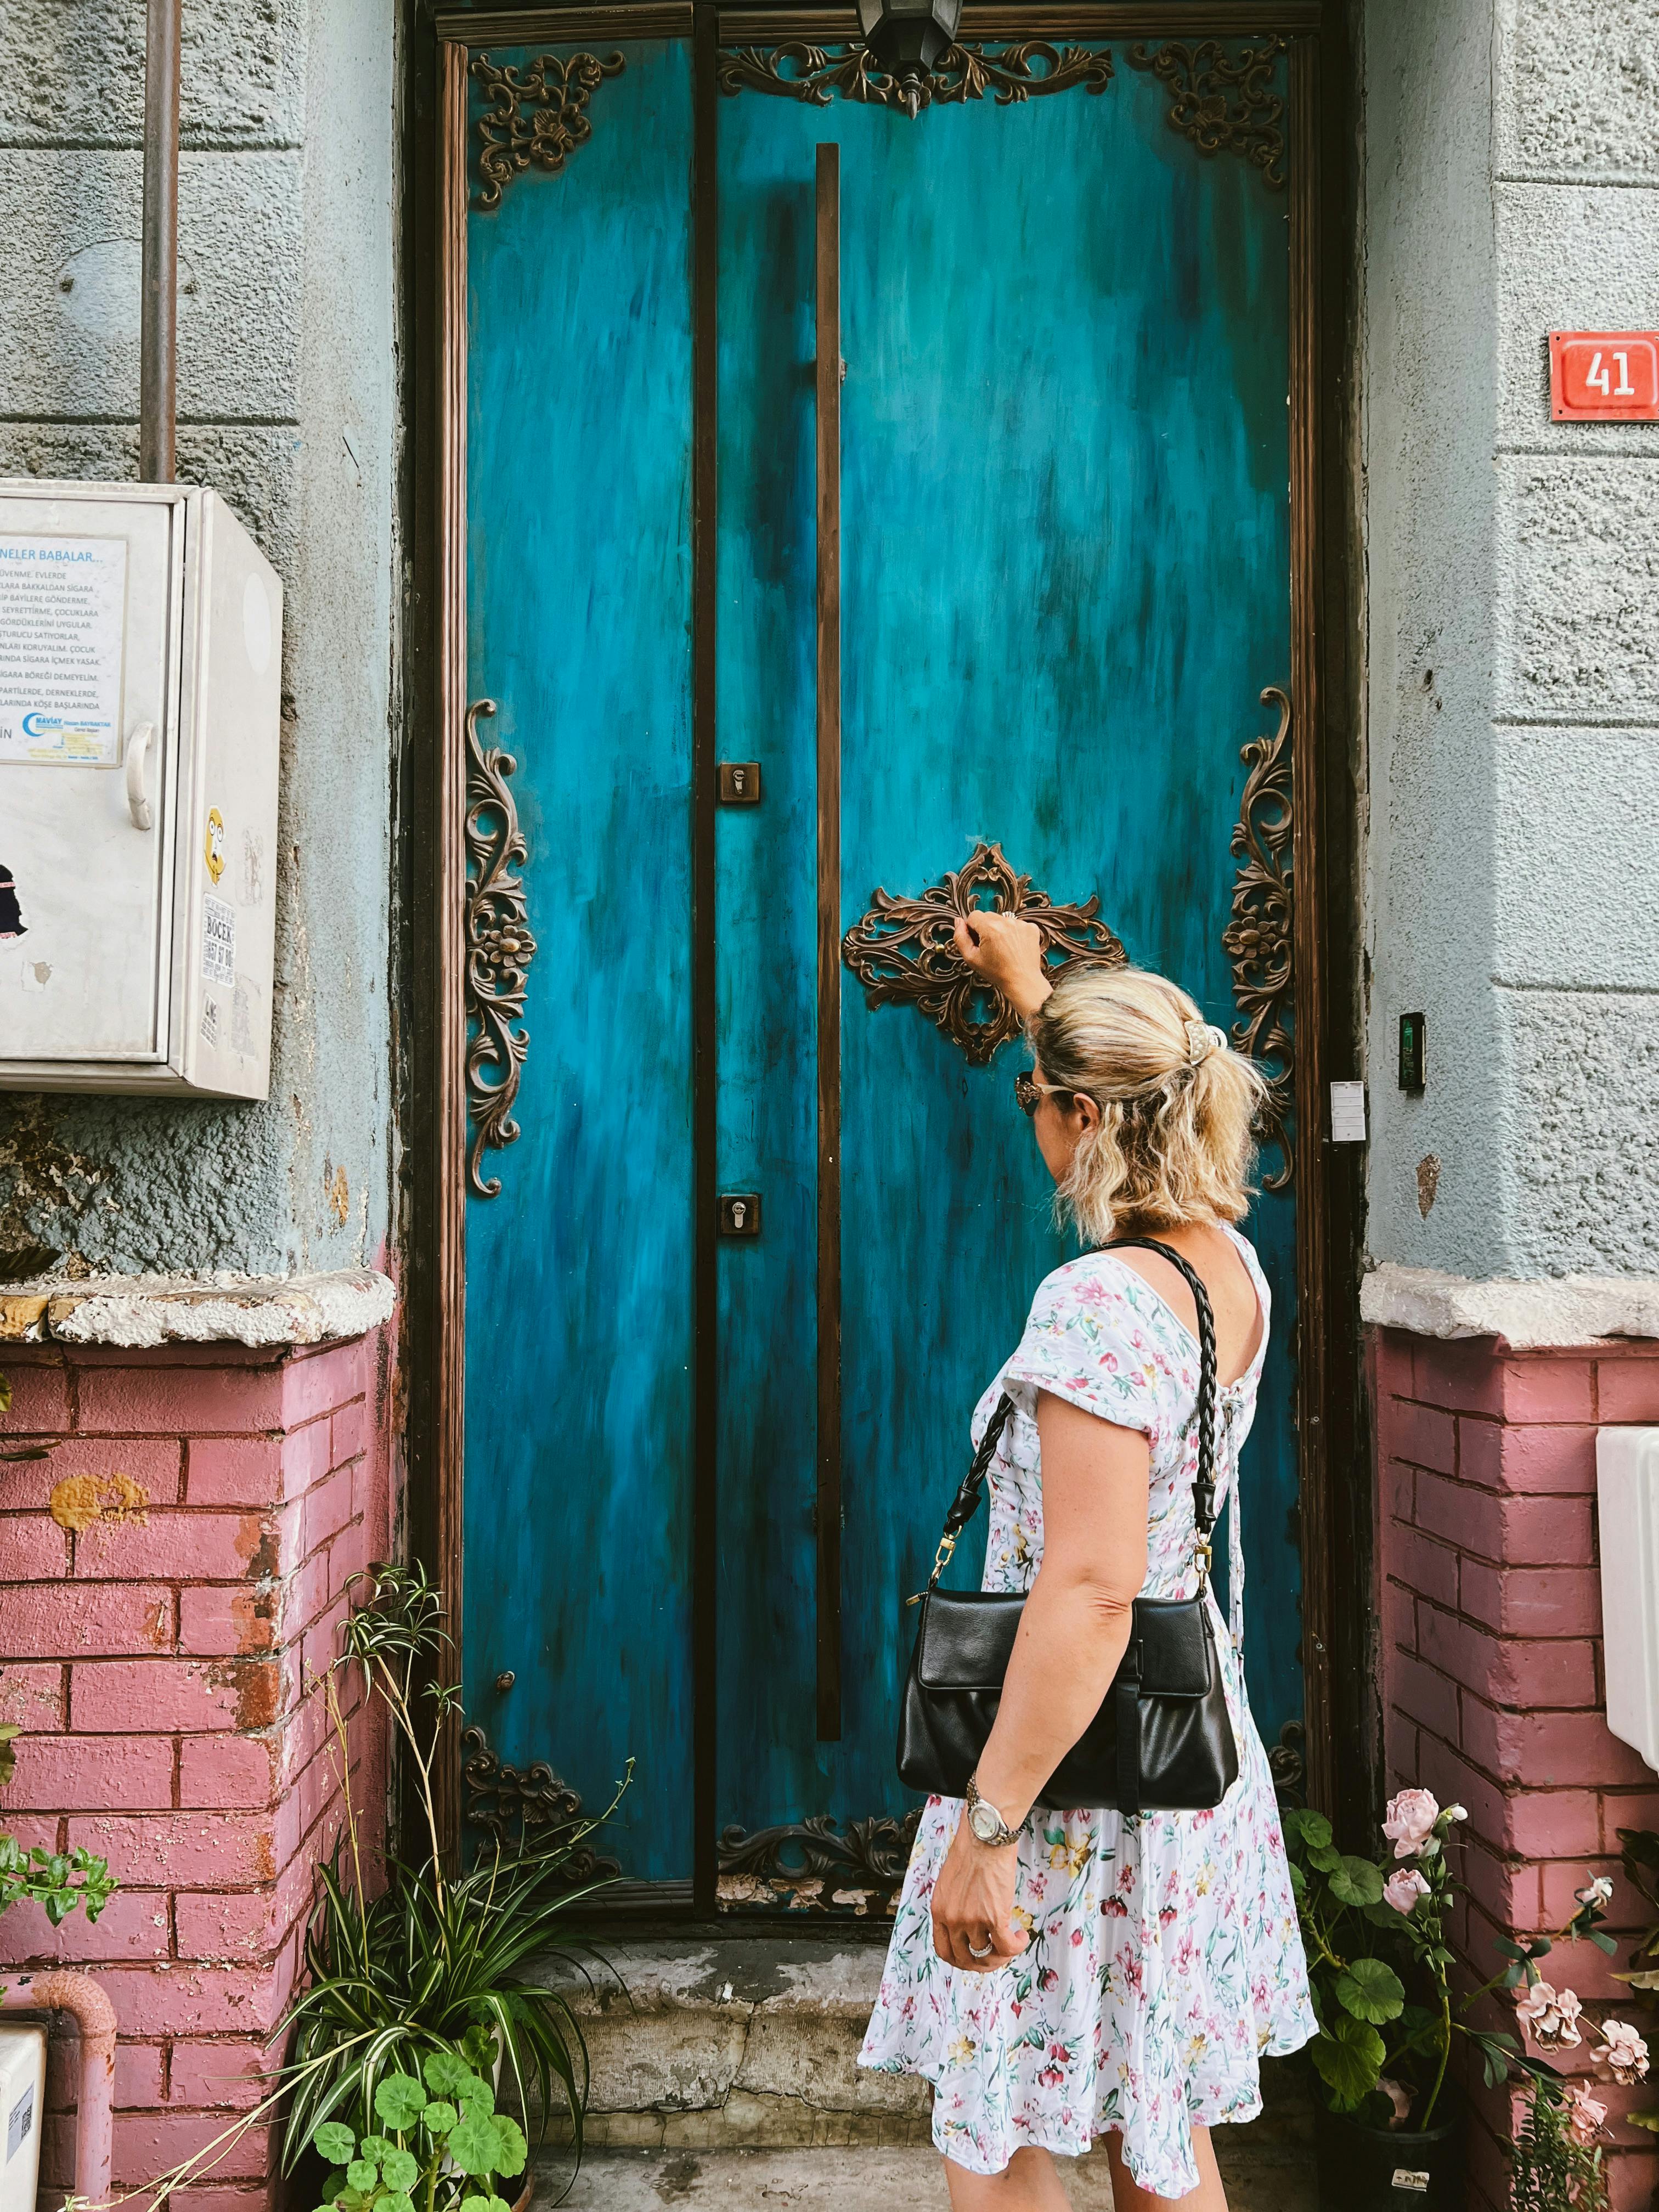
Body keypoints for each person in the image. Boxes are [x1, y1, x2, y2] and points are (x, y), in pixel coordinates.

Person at [858, 910, 1315, 2209]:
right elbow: (1108, 1079)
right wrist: (1031, 993)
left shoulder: (1098, 1303)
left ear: (1088, 1118)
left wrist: (988, 1833)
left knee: (996, 2136)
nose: (1030, 1119)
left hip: (1064, 1783)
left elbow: (1091, 1586)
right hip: (1178, 1766)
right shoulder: (1224, 1263)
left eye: (1037, 1101)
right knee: (1154, 2128)